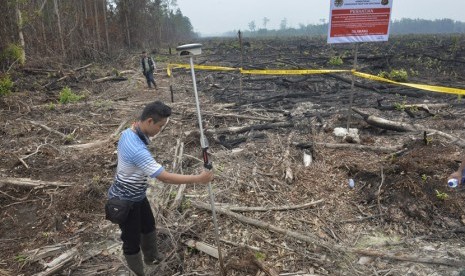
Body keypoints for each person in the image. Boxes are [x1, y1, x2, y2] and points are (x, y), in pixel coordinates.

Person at [107, 101, 213, 276]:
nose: (161, 130)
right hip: (125, 200)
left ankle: (151, 257)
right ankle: (138, 272)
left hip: (138, 195)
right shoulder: (137, 150)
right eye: (160, 126)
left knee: (148, 226)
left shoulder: (130, 131)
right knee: (131, 240)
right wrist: (198, 179)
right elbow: (164, 177)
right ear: (149, 121)